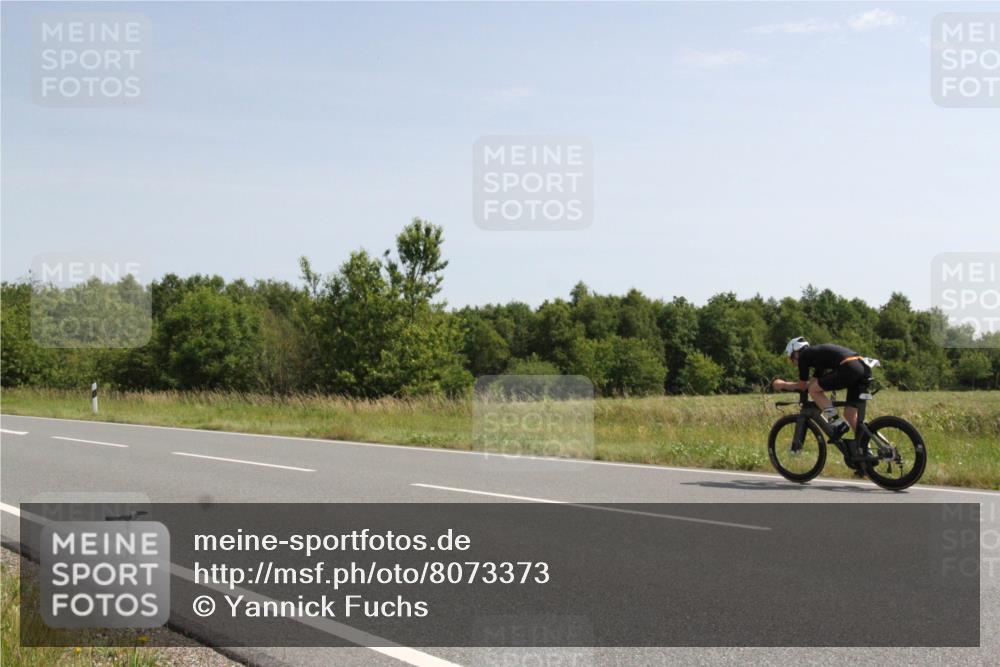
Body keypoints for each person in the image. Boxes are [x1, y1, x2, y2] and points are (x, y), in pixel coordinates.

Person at [771, 337, 872, 440]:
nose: (793, 362)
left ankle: (838, 423)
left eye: (791, 358)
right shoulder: (817, 356)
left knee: (813, 390)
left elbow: (802, 386)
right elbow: (810, 383)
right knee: (850, 415)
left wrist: (782, 384)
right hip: (862, 366)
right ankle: (866, 450)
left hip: (849, 367)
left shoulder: (804, 356)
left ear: (795, 353)